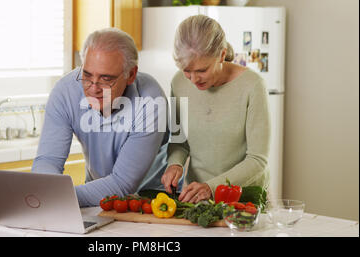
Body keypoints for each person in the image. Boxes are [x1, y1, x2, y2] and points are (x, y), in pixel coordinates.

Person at [32, 28, 169, 207]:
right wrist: (44, 192)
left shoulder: (150, 99)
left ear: (131, 75)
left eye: (106, 79)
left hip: (153, 200)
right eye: (87, 75)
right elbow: (48, 160)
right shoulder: (66, 91)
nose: (93, 88)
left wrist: (60, 197)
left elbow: (122, 183)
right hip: (98, 197)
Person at [162, 15, 271, 203]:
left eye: (202, 70)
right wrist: (174, 164)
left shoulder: (252, 86)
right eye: (187, 70)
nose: (194, 79)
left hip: (244, 202)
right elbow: (179, 141)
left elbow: (257, 160)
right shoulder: (178, 83)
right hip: (197, 201)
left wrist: (211, 187)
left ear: (221, 54)